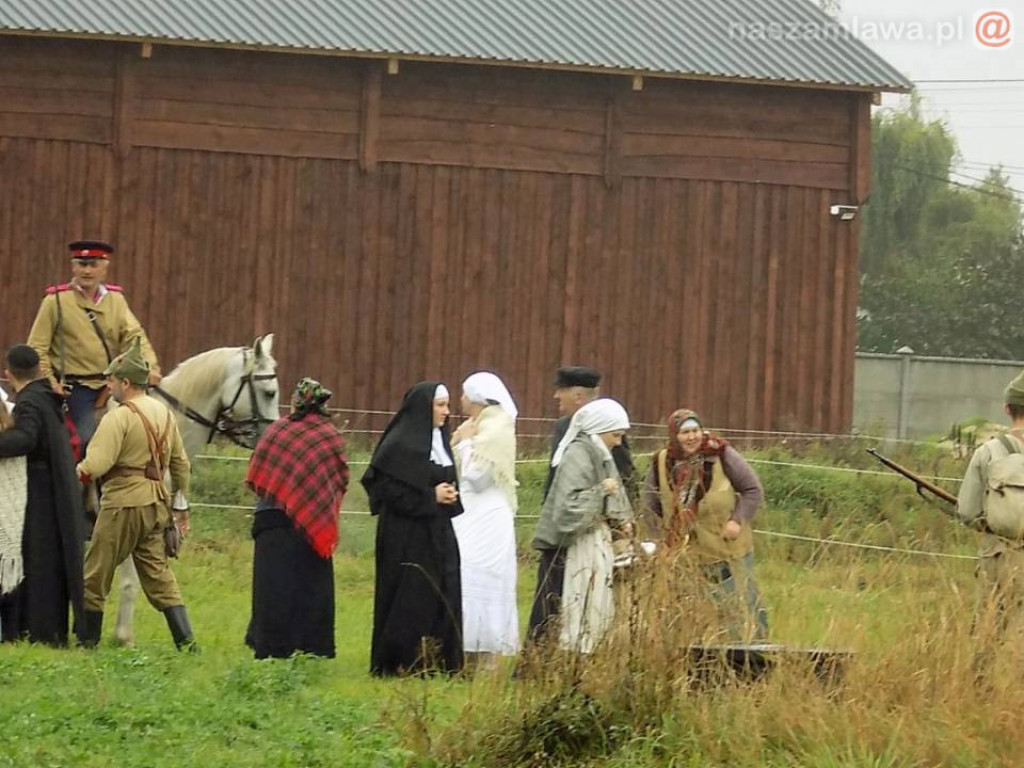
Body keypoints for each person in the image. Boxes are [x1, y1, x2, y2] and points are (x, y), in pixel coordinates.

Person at [76, 338, 195, 650]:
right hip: (156, 504)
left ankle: (87, 643)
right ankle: (187, 643)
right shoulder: (165, 414)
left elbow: (97, 464)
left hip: (122, 504)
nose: (109, 386)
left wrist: (74, 473)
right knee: (159, 576)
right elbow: (181, 465)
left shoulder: (118, 416)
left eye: (112, 380)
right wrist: (180, 503)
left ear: (126, 383)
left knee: (96, 573)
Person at [363, 382, 464, 676]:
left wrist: (449, 494)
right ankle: (403, 662)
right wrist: (431, 496)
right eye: (440, 405)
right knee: (411, 594)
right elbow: (387, 491)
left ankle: (440, 661)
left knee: (444, 588)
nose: (447, 411)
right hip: (405, 535)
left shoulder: (439, 441)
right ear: (423, 407)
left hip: (438, 529)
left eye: (447, 405)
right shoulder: (399, 445)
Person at [528, 366, 636, 643]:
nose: (556, 396)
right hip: (569, 536)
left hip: (591, 534)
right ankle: (547, 656)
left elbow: (621, 478)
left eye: (561, 390)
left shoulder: (604, 441)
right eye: (616, 436)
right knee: (555, 602)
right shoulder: (579, 446)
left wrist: (621, 518)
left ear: (577, 396)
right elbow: (567, 494)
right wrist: (600, 493)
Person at [244, 378, 349, 659]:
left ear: (295, 402)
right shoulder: (329, 435)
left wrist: (284, 493)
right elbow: (340, 478)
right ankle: (312, 646)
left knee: (272, 589)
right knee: (311, 588)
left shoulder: (278, 430)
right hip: (312, 527)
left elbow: (258, 468)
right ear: (322, 403)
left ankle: (269, 645)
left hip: (272, 522)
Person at [641, 409, 768, 640]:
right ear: (674, 435)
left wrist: (737, 520)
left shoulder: (721, 454)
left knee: (742, 605)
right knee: (690, 612)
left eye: (695, 431)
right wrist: (659, 542)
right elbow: (650, 506)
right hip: (684, 555)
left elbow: (753, 490)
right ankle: (699, 653)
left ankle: (757, 650)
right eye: (684, 433)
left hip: (727, 550)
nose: (691, 437)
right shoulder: (661, 462)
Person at [27, 240, 161, 449]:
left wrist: (150, 367)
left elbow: (135, 337)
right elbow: (37, 348)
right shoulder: (56, 301)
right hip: (75, 388)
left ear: (104, 269)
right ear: (73, 267)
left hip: (113, 384)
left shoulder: (116, 299)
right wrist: (51, 384)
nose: (87, 271)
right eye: (82, 264)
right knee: (85, 440)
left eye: (93, 264)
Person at [0, 346, 85, 646]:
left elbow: (26, 438)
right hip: (52, 488)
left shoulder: (30, 401)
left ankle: (39, 631)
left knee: (39, 560)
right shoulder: (45, 396)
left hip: (40, 492)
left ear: (9, 374)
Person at [450, 372, 520, 666]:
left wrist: (465, 443)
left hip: (487, 514)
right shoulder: (478, 424)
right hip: (470, 511)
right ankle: (463, 650)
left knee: (480, 575)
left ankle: (486, 653)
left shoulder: (496, 427)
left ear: (476, 397)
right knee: (464, 572)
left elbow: (478, 477)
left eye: (464, 393)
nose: (461, 399)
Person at [956, 370, 1024, 636]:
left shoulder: (988, 451)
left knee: (991, 631)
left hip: (998, 557)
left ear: (1007, 408)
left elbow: (968, 511)